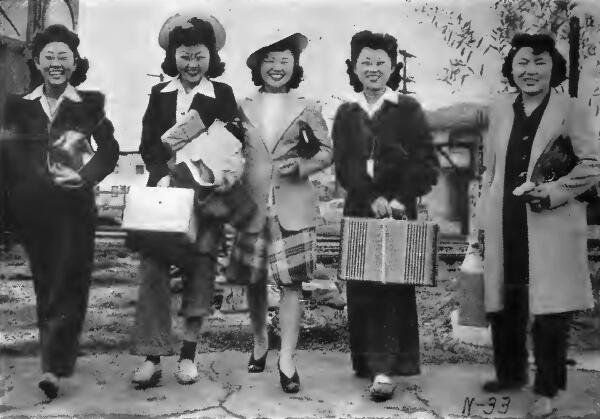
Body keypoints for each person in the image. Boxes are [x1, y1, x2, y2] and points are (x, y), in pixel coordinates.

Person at [475, 33, 600, 417]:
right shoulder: (498, 109)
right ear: (511, 68)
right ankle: (510, 373)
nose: (530, 71)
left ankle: (547, 390)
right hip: (505, 222)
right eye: (523, 63)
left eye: (540, 62)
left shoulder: (571, 108)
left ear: (554, 68)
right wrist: (481, 221)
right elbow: (489, 171)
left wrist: (555, 191)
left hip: (551, 224)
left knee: (550, 311)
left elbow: (592, 164)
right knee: (505, 301)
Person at [0, 24, 119, 399]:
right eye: (49, 57)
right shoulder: (17, 106)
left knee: (72, 280)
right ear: (36, 62)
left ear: (74, 63)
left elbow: (109, 149)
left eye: (63, 57)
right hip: (31, 210)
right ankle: (56, 355)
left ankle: (54, 365)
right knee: (46, 281)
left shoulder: (89, 104)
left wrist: (85, 179)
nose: (55, 63)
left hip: (75, 209)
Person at [130, 14, 243, 388]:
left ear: (210, 56)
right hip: (164, 194)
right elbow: (148, 144)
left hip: (207, 198)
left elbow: (236, 145)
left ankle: (189, 355)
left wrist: (228, 172)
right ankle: (151, 356)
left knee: (200, 272)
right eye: (184, 56)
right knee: (153, 271)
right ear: (173, 57)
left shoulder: (223, 95)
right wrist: (160, 171)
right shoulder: (159, 94)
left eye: (198, 56)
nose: (191, 64)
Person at [331, 30, 439, 401]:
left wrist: (398, 198)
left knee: (392, 287)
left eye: (381, 62)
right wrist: (368, 194)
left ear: (393, 66)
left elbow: (427, 162)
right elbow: (344, 164)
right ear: (354, 67)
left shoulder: (407, 108)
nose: (374, 68)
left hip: (398, 211)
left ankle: (385, 368)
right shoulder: (347, 111)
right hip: (359, 209)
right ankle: (368, 362)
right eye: (366, 61)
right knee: (361, 286)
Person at [226, 32, 332, 393]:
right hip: (251, 204)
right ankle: (260, 344)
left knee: (291, 284)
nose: (276, 67)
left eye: (284, 60)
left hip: (293, 203)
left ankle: (287, 359)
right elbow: (229, 148)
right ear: (257, 65)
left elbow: (326, 152)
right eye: (269, 59)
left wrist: (300, 168)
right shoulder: (240, 105)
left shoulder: (308, 105)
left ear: (294, 65)